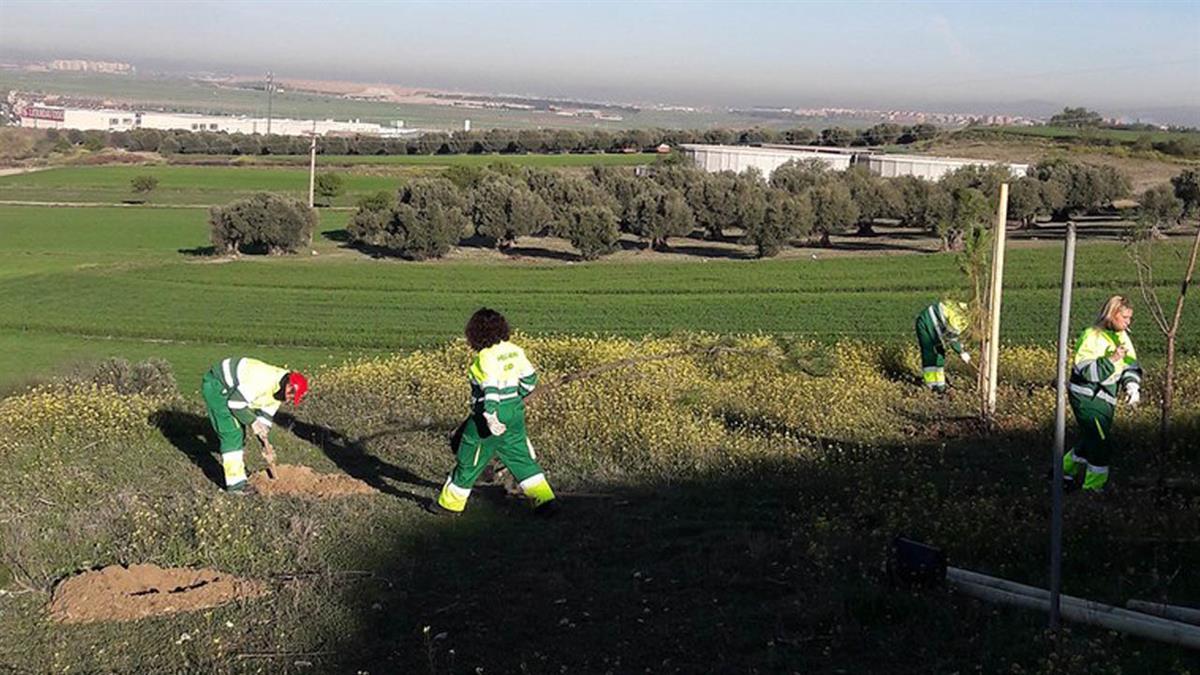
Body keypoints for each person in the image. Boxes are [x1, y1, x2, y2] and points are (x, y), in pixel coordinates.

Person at [430, 308, 557, 516]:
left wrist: (491, 415)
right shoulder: (515, 350)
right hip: (514, 411)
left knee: (469, 458)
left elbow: (490, 389)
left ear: (476, 333)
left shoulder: (485, 357)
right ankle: (545, 501)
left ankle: (449, 506)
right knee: (520, 457)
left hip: (488, 416)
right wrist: (517, 397)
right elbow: (530, 379)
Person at [1063, 296, 1142, 493]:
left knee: (1094, 437)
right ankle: (1092, 488)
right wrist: (1112, 359)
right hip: (1086, 396)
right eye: (1124, 317)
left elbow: (1130, 364)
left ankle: (1063, 471)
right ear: (1112, 314)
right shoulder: (1092, 336)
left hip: (1107, 397)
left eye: (1130, 318)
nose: (1128, 322)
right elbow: (1086, 371)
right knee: (1100, 443)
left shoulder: (1122, 336)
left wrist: (1132, 386)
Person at [201, 357, 308, 494]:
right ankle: (236, 486)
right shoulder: (261, 380)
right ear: (288, 385)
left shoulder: (279, 389)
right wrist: (253, 422)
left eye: (293, 398)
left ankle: (236, 470)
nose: (290, 399)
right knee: (233, 432)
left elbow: (266, 414)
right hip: (218, 385)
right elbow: (235, 404)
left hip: (233, 391)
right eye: (291, 395)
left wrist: (263, 439)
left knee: (239, 433)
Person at [914, 300, 972, 392]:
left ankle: (940, 385)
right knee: (930, 354)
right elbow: (952, 339)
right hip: (925, 323)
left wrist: (960, 348)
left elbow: (952, 336)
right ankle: (931, 386)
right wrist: (961, 352)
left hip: (935, 325)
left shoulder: (962, 311)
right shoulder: (957, 319)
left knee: (940, 353)